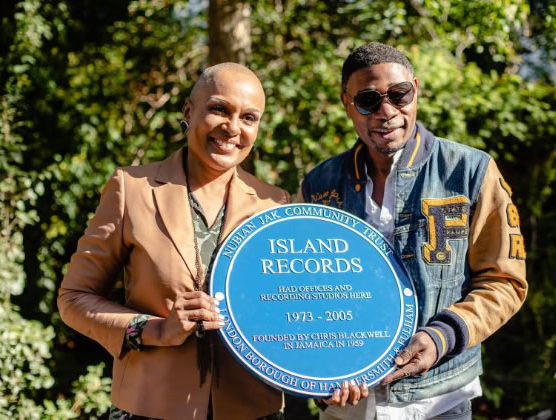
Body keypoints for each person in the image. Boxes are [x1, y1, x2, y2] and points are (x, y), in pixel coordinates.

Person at [299, 42, 528, 419]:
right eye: (368, 101)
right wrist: (318, 369)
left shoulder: (471, 171)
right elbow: (304, 295)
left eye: (398, 95)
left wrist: (443, 336)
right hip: (348, 404)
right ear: (347, 104)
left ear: (416, 90)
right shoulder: (318, 185)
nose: (386, 112)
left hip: (439, 400)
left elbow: (505, 280)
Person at [58, 63, 292, 420]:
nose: (233, 128)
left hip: (254, 409)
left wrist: (334, 371)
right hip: (150, 407)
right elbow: (73, 299)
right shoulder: (131, 189)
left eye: (249, 117)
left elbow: (292, 309)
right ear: (188, 111)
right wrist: (156, 329)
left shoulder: (276, 203)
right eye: (219, 109)